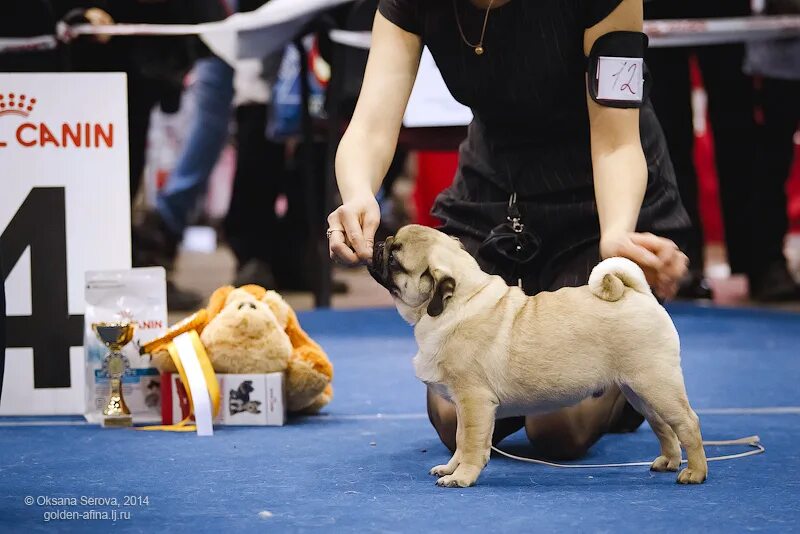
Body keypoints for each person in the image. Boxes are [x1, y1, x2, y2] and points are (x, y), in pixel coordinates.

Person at [328, 0, 690, 459]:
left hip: (597, 198)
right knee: (454, 414)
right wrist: (358, 194)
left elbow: (617, 142)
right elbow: (372, 125)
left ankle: (623, 370)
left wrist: (616, 234)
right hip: (494, 193)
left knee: (558, 428)